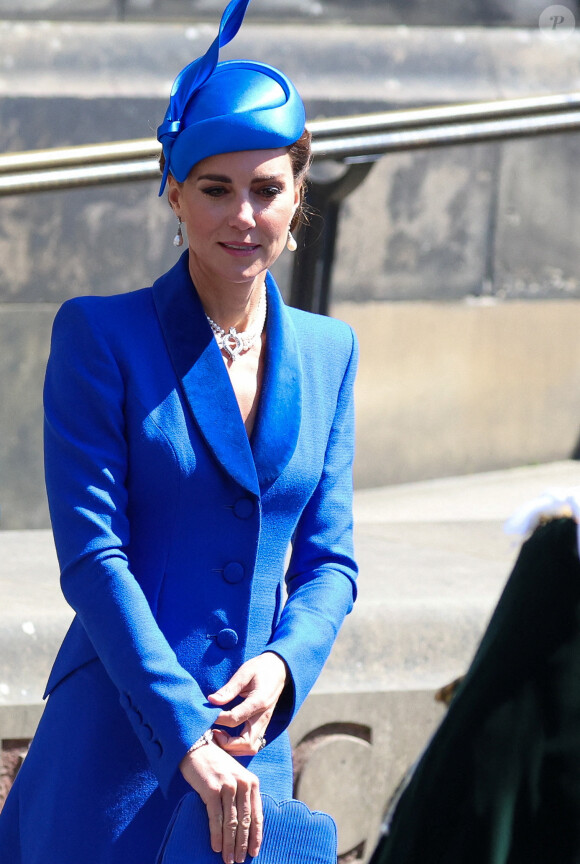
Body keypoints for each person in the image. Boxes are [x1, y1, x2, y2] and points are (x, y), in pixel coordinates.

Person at [0, 0, 358, 862]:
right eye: (215, 187)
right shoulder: (99, 335)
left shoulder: (329, 350)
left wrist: (282, 666)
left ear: (299, 194)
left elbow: (330, 564)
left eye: (267, 189)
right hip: (120, 748)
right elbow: (93, 558)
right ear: (173, 189)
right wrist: (185, 738)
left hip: (248, 753)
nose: (243, 215)